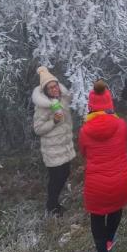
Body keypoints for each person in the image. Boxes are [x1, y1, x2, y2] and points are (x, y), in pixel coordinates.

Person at [79, 80, 127, 252]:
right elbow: (125, 143)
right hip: (122, 179)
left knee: (97, 217)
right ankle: (110, 239)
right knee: (116, 208)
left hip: (96, 184)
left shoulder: (85, 131)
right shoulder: (122, 125)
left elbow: (84, 152)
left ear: (90, 106)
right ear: (110, 104)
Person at [32, 66, 77, 217]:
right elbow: (38, 129)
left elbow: (73, 96)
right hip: (53, 149)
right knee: (56, 178)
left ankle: (54, 204)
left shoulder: (62, 99)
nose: (54, 89)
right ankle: (51, 206)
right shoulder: (43, 107)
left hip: (64, 146)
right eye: (50, 88)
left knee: (65, 173)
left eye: (55, 85)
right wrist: (54, 122)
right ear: (45, 91)